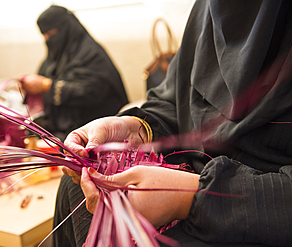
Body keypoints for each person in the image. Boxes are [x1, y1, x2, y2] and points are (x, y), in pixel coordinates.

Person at [53, 0, 292, 246]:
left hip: (257, 204)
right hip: (194, 169)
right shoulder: (207, 10)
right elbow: (177, 99)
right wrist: (138, 127)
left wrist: (192, 196)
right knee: (76, 187)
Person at [19, 5, 128, 141]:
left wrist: (47, 86)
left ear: (66, 29)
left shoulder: (91, 54)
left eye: (52, 34)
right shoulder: (55, 57)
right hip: (62, 133)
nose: (48, 40)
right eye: (44, 36)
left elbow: (91, 93)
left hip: (96, 134)